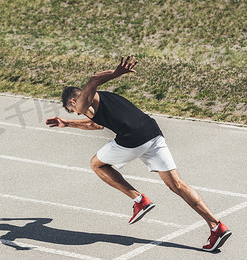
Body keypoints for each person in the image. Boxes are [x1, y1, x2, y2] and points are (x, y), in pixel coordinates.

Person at [45, 56, 231, 252]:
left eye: (72, 110)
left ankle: (139, 200)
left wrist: (115, 74)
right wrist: (67, 123)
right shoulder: (103, 100)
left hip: (132, 139)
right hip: (152, 133)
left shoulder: (83, 102)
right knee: (177, 184)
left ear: (74, 100)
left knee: (96, 164)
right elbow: (97, 124)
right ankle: (216, 226)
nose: (76, 113)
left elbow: (92, 81)